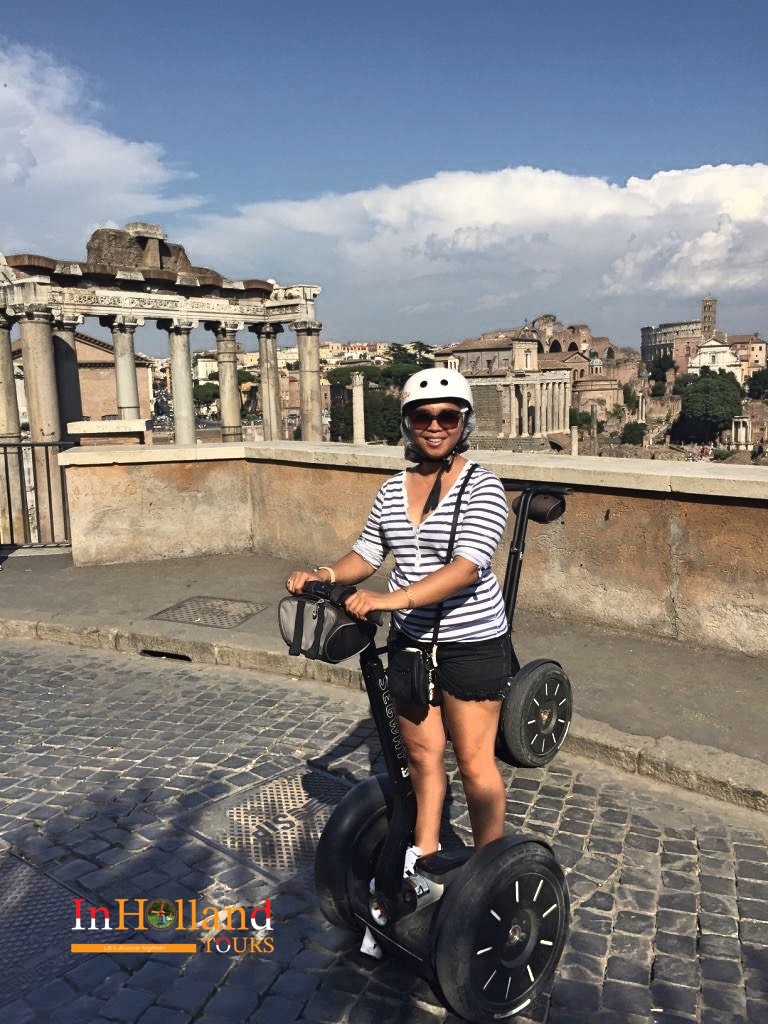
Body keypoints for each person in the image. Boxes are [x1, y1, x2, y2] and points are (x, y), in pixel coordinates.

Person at [285, 368, 511, 949]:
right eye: (422, 416)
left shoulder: (483, 487)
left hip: (470, 643)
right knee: (421, 757)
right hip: (411, 644)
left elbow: (467, 567)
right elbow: (367, 553)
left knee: (475, 764)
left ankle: (490, 875)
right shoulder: (392, 489)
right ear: (408, 424)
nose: (434, 426)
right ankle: (423, 857)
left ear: (463, 423)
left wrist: (391, 599)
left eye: (447, 416)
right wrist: (324, 573)